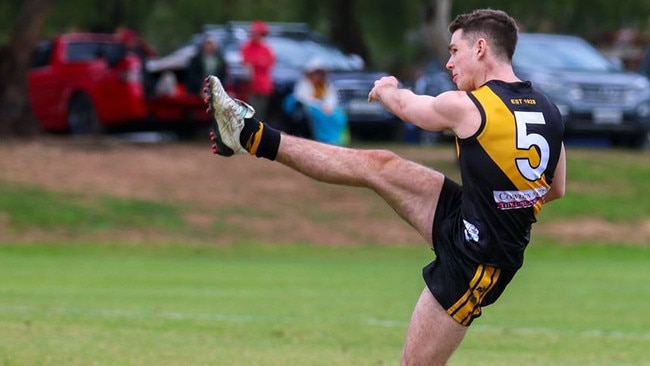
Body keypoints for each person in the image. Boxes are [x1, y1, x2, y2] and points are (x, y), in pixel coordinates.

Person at [203, 8, 566, 365]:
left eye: (454, 51)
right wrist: (505, 202)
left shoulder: (467, 105)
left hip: (477, 259)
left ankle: (247, 137)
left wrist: (387, 87)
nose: (449, 63)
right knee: (380, 165)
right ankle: (249, 135)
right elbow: (555, 188)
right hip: (471, 220)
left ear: (481, 48)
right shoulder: (549, 110)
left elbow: (409, 107)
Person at [287, 57, 349, 145]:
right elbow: (302, 98)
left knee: (338, 115)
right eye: (316, 73)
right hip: (311, 108)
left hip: (326, 108)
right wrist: (319, 105)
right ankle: (323, 139)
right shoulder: (304, 84)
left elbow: (332, 99)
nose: (318, 76)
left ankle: (336, 140)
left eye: (320, 73)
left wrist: (328, 106)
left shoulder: (326, 85)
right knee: (320, 115)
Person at [240, 20, 275, 120]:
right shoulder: (247, 47)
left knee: (262, 111)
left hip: (264, 86)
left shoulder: (266, 48)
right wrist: (259, 62)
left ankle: (260, 132)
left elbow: (269, 63)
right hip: (251, 86)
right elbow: (246, 62)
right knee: (251, 111)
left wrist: (256, 62)